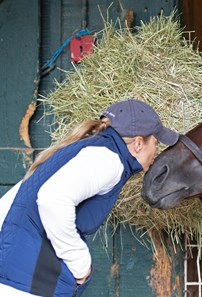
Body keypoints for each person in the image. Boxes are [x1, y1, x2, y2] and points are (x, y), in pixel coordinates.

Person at [0, 99, 178, 297]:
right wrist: (80, 263)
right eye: (156, 142)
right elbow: (53, 198)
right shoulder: (109, 160)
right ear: (138, 143)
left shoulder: (89, 150)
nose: (157, 151)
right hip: (27, 280)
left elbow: (11, 203)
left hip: (16, 273)